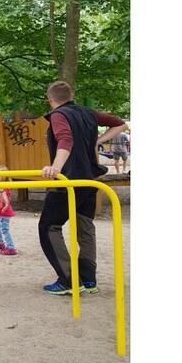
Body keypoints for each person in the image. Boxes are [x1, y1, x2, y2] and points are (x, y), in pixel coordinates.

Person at [38, 81, 126, 295]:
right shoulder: (88, 113)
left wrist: (55, 167)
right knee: (85, 227)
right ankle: (88, 279)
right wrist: (97, 140)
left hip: (69, 180)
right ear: (72, 95)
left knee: (49, 227)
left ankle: (69, 279)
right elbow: (120, 124)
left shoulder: (58, 115)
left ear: (50, 99)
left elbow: (65, 139)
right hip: (90, 179)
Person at [0, 165, 18, 255]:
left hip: (3, 213)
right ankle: (0, 242)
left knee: (4, 229)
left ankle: (11, 247)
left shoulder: (3, 187)